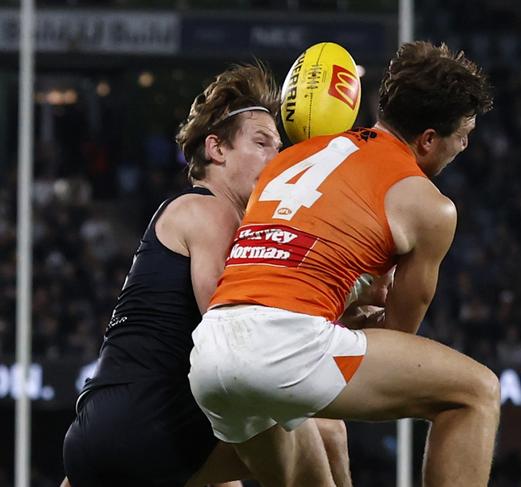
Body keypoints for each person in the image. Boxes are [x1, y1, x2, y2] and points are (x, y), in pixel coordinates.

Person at [189, 41, 500, 487]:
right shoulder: (431, 208)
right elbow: (396, 339)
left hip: (212, 352)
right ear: (429, 139)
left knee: (313, 463)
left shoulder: (290, 157)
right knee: (475, 393)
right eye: (463, 132)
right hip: (284, 348)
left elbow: (291, 261)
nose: (466, 143)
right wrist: (362, 317)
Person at [62, 63, 350, 487]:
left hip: (104, 426)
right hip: (147, 421)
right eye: (262, 142)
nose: (278, 157)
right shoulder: (210, 210)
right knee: (325, 431)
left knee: (232, 453)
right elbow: (233, 329)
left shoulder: (195, 215)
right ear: (216, 149)